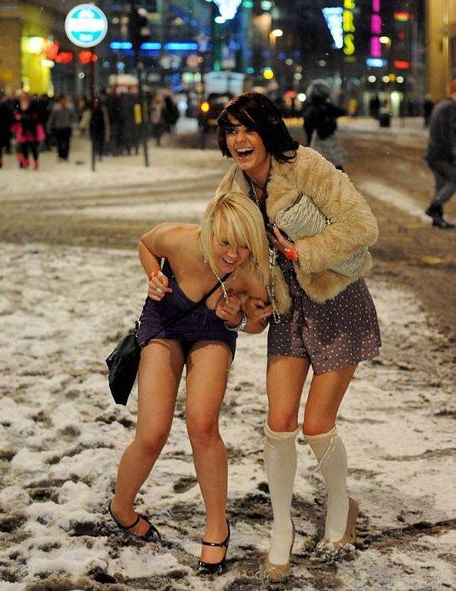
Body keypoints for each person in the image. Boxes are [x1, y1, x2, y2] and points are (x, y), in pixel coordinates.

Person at [215, 92, 381, 581]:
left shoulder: (307, 166)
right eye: (231, 131)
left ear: (268, 130)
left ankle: (338, 511)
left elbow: (363, 226)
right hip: (287, 312)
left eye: (247, 129)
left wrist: (299, 253)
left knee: (316, 425)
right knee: (280, 420)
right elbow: (227, 251)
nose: (239, 140)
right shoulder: (233, 188)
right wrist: (244, 298)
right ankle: (281, 528)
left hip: (336, 303)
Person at [109, 192, 270, 575]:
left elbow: (259, 321)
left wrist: (237, 318)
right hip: (164, 322)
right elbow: (145, 244)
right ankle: (121, 506)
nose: (233, 253)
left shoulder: (252, 272)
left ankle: (217, 524)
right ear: (209, 230)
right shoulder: (180, 239)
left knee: (201, 423)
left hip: (213, 330)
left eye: (245, 245)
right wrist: (154, 276)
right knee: (151, 433)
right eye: (225, 242)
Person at [424, 79, 456, 229]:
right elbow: (447, 135)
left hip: (434, 153)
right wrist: (453, 155)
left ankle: (437, 219)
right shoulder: (449, 107)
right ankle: (434, 207)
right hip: (440, 155)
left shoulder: (443, 105)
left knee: (441, 185)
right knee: (454, 180)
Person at [302, 79, 348, 171]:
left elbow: (308, 129)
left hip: (314, 147)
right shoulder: (327, 109)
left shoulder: (309, 110)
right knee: (336, 174)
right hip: (330, 147)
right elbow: (342, 112)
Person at [12, 92, 45, 169]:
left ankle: (35, 161)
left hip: (31, 129)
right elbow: (15, 115)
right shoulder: (18, 105)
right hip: (22, 129)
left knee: (33, 147)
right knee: (23, 147)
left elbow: (37, 116)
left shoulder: (33, 105)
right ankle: (25, 162)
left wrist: (28, 117)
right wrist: (18, 117)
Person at [46, 95, 76, 161]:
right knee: (59, 142)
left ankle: (65, 156)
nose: (63, 101)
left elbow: (73, 116)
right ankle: (60, 155)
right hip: (59, 128)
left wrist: (72, 123)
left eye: (65, 100)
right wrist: (49, 126)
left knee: (67, 142)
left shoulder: (69, 108)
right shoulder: (56, 108)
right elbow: (52, 118)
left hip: (67, 128)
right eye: (62, 100)